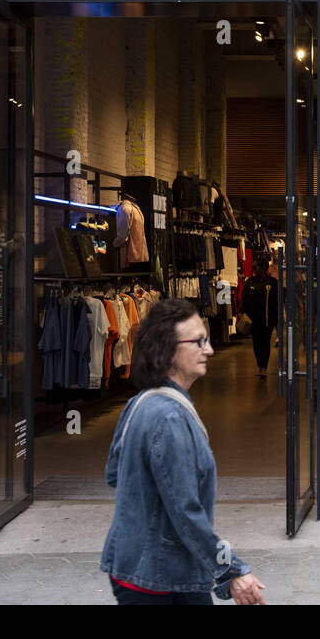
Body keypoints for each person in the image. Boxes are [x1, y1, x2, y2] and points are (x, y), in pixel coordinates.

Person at [100, 298, 267, 605]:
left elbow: (115, 474)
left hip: (139, 566)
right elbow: (185, 511)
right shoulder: (171, 417)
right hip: (160, 578)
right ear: (168, 350)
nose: (210, 349)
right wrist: (232, 571)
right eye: (199, 341)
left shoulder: (140, 402)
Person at [240, 256, 278, 379]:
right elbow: (244, 298)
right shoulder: (249, 282)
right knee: (256, 343)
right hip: (253, 318)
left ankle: (264, 367)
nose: (254, 269)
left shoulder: (272, 282)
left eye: (256, 267)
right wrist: (242, 312)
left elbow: (276, 300)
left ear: (263, 268)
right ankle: (259, 365)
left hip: (267, 318)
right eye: (253, 267)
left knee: (265, 342)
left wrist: (277, 318)